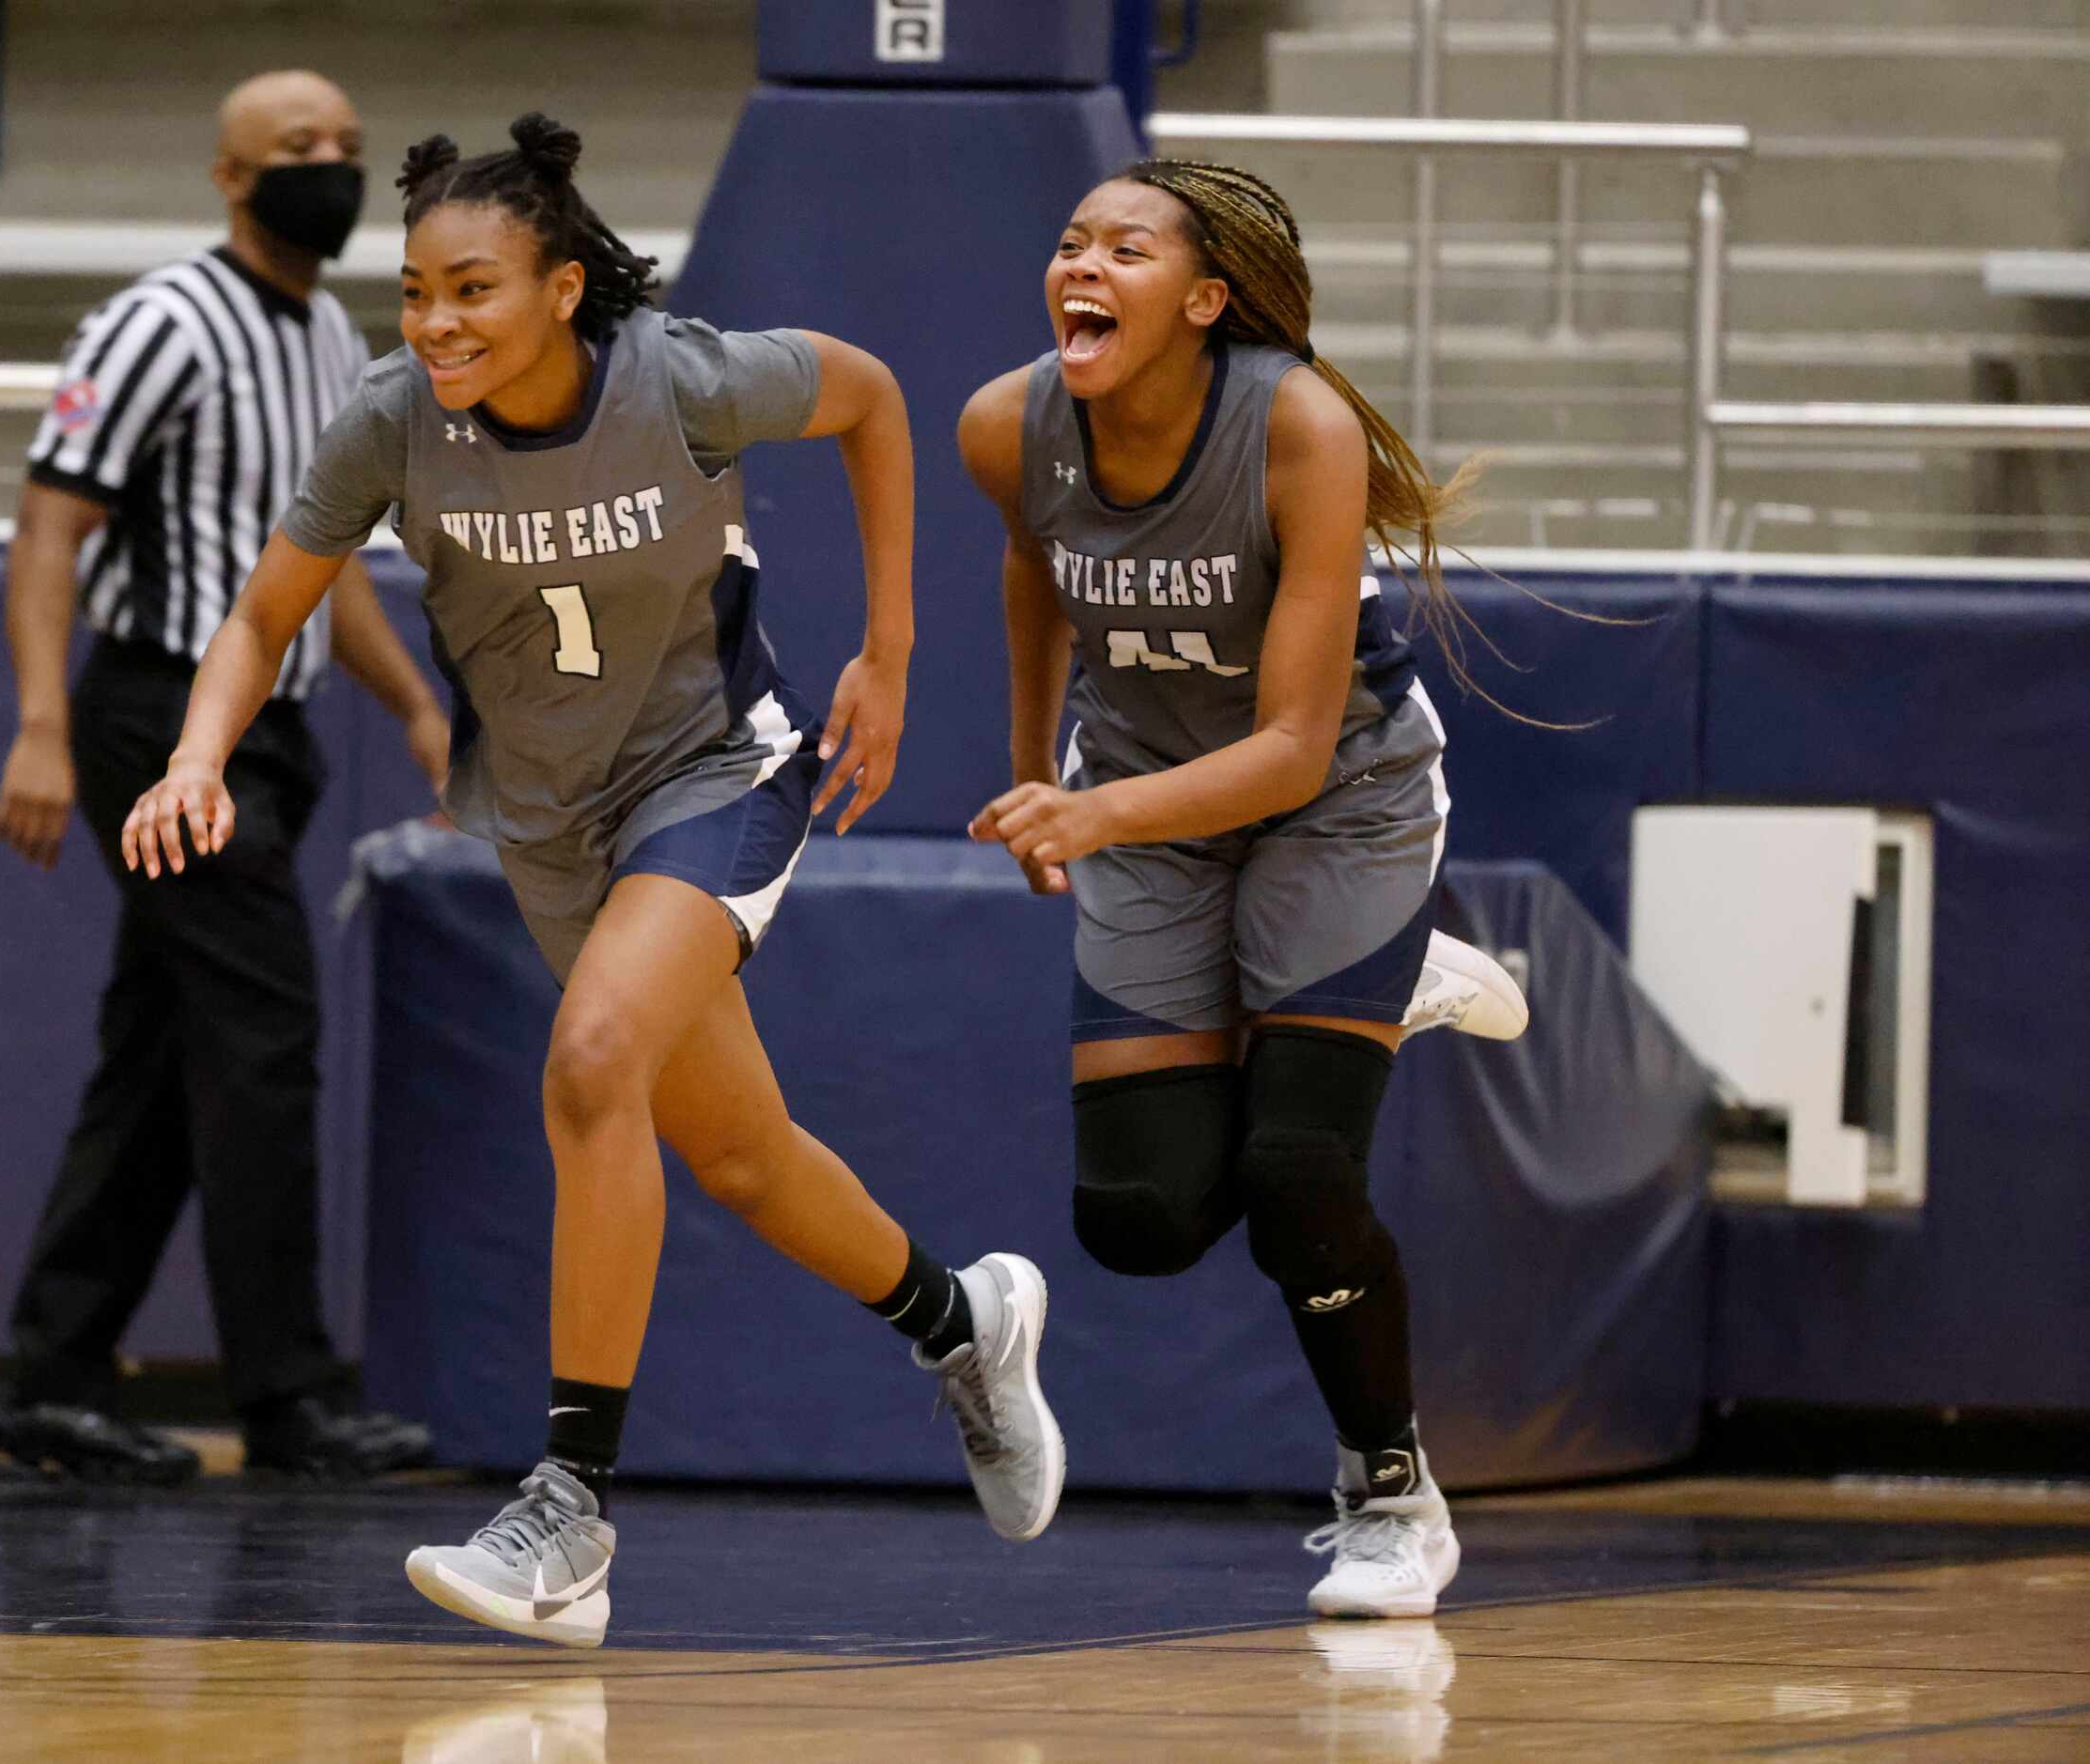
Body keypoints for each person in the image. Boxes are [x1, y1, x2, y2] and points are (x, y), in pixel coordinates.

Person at [122, 114, 1064, 1648]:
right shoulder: (387, 422)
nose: (436, 322)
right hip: (548, 823)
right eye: (417, 292)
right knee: (746, 1158)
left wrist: (888, 650)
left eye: (473, 289)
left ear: (562, 287)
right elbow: (259, 616)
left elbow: (877, 400)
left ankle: (567, 1506)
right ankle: (967, 1323)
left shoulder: (679, 375)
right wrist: (194, 757)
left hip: (716, 777)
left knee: (592, 1060)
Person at [959, 160, 1527, 1619]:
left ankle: (1391, 1489)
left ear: (1207, 300)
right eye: (1071, 238)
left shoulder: (1296, 424)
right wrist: (1035, 773)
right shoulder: (1005, 425)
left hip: (1335, 800)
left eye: (1127, 247)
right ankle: (1369, 996)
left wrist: (1087, 808)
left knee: (1296, 1175)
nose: (1083, 262)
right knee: (1138, 1217)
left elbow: (1284, 752)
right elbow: (1035, 568)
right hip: (1144, 800)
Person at [0, 70, 446, 1486]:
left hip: (270, 736)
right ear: (231, 176)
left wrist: (421, 709)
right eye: (301, 148)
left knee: (164, 1062)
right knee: (262, 1036)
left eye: (352, 149)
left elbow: (320, 577)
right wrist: (42, 724)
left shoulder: (330, 343)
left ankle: (46, 1388)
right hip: (153, 719)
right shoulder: (159, 322)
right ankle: (289, 1397)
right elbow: (49, 527)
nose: (333, 167)